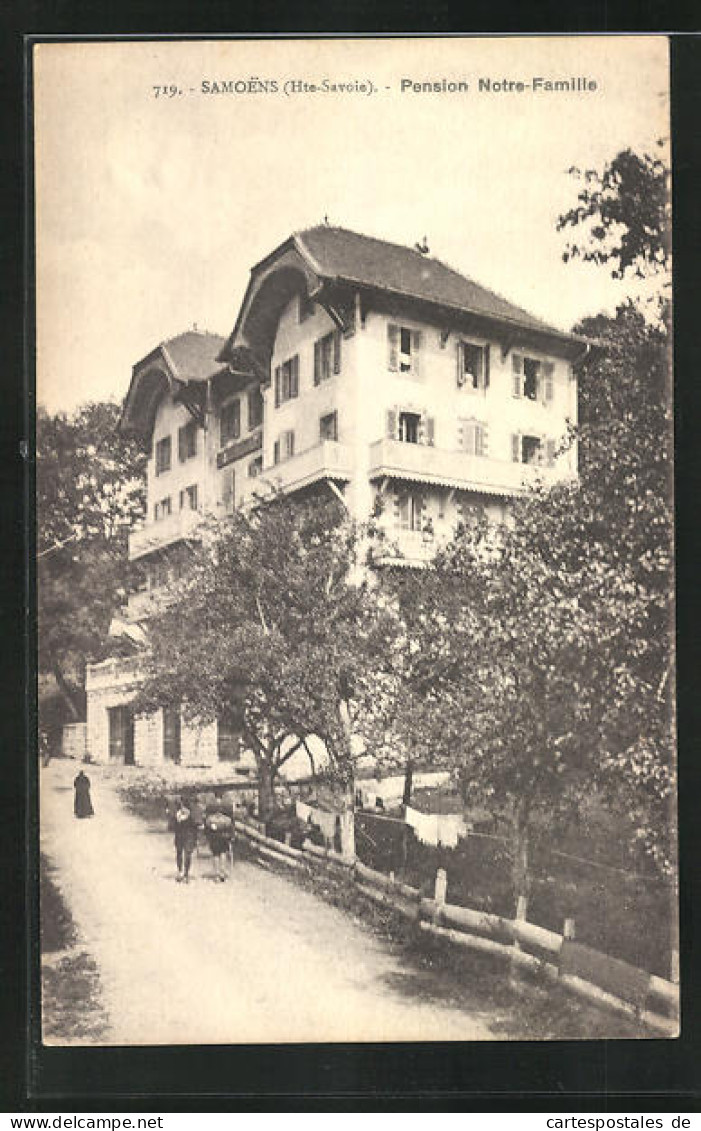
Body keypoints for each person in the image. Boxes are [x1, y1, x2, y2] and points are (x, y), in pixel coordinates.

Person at [204, 793, 233, 882]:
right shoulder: (227, 803)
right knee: (223, 853)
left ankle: (216, 874)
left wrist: (207, 834)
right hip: (224, 832)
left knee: (215, 854)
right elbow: (231, 818)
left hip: (214, 833)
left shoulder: (211, 804)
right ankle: (222, 873)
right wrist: (231, 835)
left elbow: (206, 818)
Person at [173, 795, 198, 883]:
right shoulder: (179, 812)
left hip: (184, 835)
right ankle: (183, 873)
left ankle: (183, 873)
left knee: (183, 854)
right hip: (187, 835)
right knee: (184, 854)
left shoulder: (185, 812)